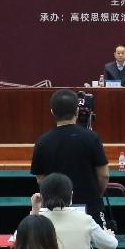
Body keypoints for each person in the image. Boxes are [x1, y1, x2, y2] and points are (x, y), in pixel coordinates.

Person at [31, 89, 109, 221]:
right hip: (90, 209)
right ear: (77, 111)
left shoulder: (42, 142)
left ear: (52, 112)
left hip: (55, 211)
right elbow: (104, 175)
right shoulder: (92, 138)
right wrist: (96, 195)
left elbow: (41, 179)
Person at [31, 173, 118, 249]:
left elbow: (23, 242)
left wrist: (34, 211)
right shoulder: (86, 219)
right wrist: (110, 235)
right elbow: (110, 245)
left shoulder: (36, 220)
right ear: (71, 196)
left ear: (42, 197)